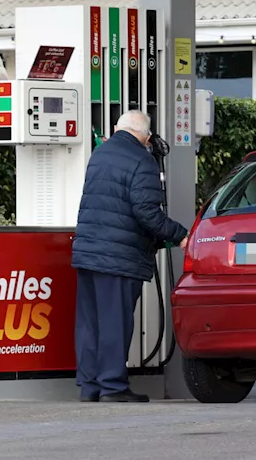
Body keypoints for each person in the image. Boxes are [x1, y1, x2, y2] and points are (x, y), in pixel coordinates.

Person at [71, 111, 189, 403]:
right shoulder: (142, 161)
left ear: (116, 129)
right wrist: (180, 235)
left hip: (88, 252)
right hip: (119, 256)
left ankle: (90, 386)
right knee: (115, 321)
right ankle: (112, 386)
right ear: (146, 138)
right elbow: (147, 213)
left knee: (90, 322)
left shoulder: (99, 154)